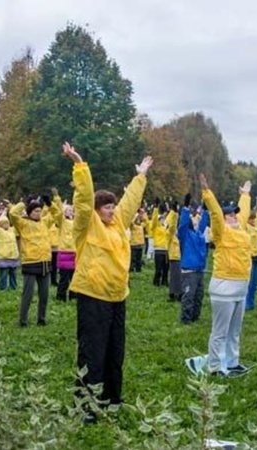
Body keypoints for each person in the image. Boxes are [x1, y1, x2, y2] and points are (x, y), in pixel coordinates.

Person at [64, 142, 151, 419]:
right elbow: (84, 198)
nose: (112, 210)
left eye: (113, 206)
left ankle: (112, 398)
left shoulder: (117, 225)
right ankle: (86, 405)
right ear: (97, 209)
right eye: (107, 207)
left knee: (115, 350)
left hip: (117, 296)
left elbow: (130, 203)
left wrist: (141, 176)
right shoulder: (86, 226)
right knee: (92, 351)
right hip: (93, 296)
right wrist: (79, 164)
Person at [199, 174, 253, 376]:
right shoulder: (221, 231)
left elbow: (245, 211)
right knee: (220, 331)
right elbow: (214, 213)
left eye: (235, 214)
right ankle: (215, 367)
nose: (235, 217)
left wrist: (245, 195)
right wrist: (207, 193)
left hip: (241, 287)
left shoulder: (242, 231)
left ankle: (232, 362)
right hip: (224, 287)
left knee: (235, 331)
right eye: (230, 215)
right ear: (225, 218)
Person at [9, 190, 59, 327]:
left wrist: (50, 204)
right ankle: (23, 320)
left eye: (39, 210)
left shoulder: (45, 223)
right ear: (30, 212)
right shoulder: (23, 224)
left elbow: (57, 214)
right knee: (28, 294)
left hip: (45, 262)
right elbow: (13, 214)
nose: (38, 213)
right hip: (30, 263)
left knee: (44, 295)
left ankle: (41, 319)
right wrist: (23, 203)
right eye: (35, 211)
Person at [178, 194, 210, 324]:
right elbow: (183, 224)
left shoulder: (199, 234)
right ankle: (186, 319)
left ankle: (195, 317)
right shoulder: (185, 235)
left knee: (198, 295)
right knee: (189, 296)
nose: (195, 221)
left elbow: (203, 223)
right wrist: (185, 208)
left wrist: (206, 209)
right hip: (189, 271)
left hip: (199, 270)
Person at [53, 191, 76, 301]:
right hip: (64, 252)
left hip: (75, 252)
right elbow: (58, 213)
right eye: (68, 210)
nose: (70, 212)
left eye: (71, 210)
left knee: (74, 278)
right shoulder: (62, 222)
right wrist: (58, 199)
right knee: (64, 278)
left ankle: (74, 296)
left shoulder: (76, 222)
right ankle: (61, 297)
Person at [0, 211, 19, 291]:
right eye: (3, 223)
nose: (5, 224)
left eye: (7, 223)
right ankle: (3, 288)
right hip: (3, 256)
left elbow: (17, 223)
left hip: (13, 256)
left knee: (13, 274)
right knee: (3, 274)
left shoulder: (12, 230)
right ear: (0, 224)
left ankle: (13, 287)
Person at [149, 202, 169, 287]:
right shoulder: (156, 227)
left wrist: (169, 210)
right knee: (158, 269)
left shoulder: (166, 228)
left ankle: (164, 281)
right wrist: (156, 209)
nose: (163, 220)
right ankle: (156, 282)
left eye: (163, 219)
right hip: (158, 250)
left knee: (166, 268)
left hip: (166, 250)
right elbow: (154, 220)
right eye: (161, 219)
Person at [166, 206, 182, 301]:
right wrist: (175, 214)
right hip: (174, 258)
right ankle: (173, 294)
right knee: (174, 277)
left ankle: (178, 293)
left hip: (180, 258)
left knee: (179, 277)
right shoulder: (169, 234)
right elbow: (172, 226)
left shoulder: (177, 236)